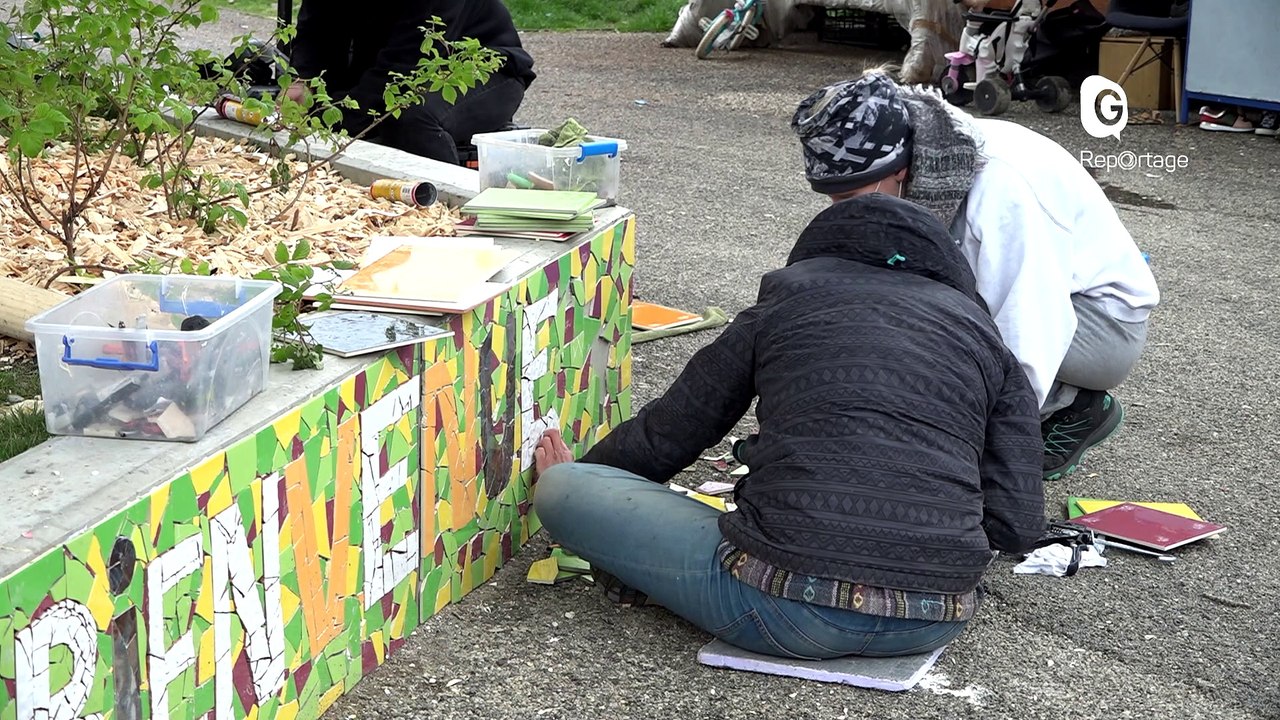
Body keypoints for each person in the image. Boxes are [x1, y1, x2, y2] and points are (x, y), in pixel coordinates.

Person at [531, 193, 1046, 661]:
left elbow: (671, 433)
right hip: (933, 621)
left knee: (562, 488)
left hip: (778, 609)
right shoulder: (987, 342)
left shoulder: (786, 301)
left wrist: (586, 483)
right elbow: (1018, 523)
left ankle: (632, 563)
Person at [789, 70, 1160, 480]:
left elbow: (1029, 331)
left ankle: (1073, 405)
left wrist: (967, 445)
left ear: (898, 170)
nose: (840, 209)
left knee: (949, 329)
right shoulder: (925, 150)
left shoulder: (1003, 189)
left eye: (848, 197)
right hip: (1030, 295)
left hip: (1100, 323)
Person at [284, 0, 535, 165]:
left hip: (484, 65)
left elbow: (406, 64)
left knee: (411, 120)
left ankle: (450, 206)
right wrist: (303, 81)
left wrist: (335, 117)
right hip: (395, 62)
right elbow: (315, 28)